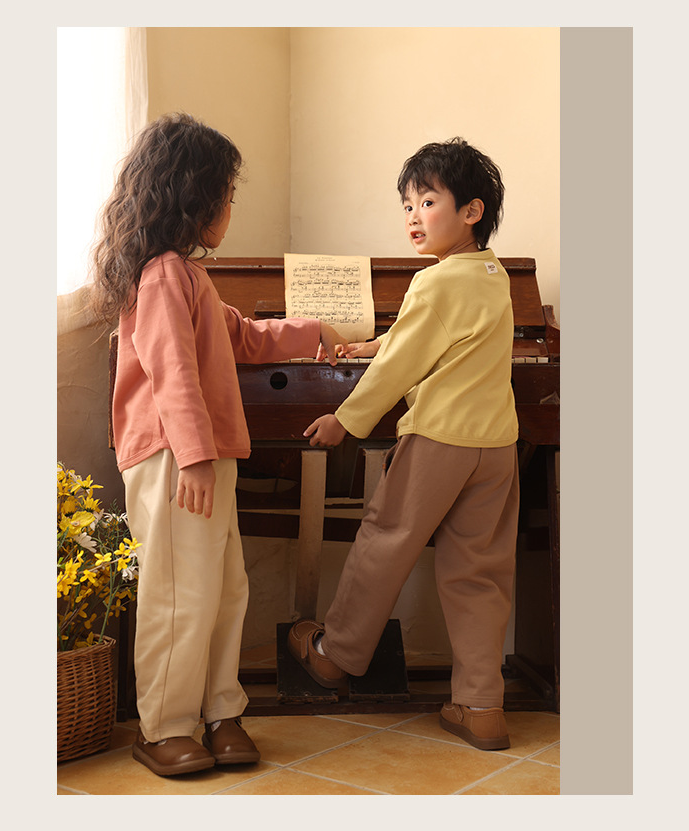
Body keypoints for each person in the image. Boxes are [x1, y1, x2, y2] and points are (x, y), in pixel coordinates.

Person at [90, 113, 346, 776]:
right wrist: (196, 456)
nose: (230, 209)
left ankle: (219, 710)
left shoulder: (187, 277)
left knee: (224, 588)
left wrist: (315, 330)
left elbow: (243, 337)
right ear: (194, 197)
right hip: (176, 457)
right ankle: (165, 725)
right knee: (181, 593)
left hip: (204, 457)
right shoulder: (161, 276)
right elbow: (171, 370)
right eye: (227, 197)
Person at [287, 137, 519, 751]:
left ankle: (336, 655)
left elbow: (400, 366)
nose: (413, 217)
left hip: (440, 439)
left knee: (385, 541)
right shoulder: (495, 277)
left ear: (471, 211)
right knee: (479, 571)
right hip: (496, 446)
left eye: (428, 202)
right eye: (408, 205)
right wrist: (376, 343)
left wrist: (346, 419)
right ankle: (481, 705)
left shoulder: (433, 283)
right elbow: (432, 339)